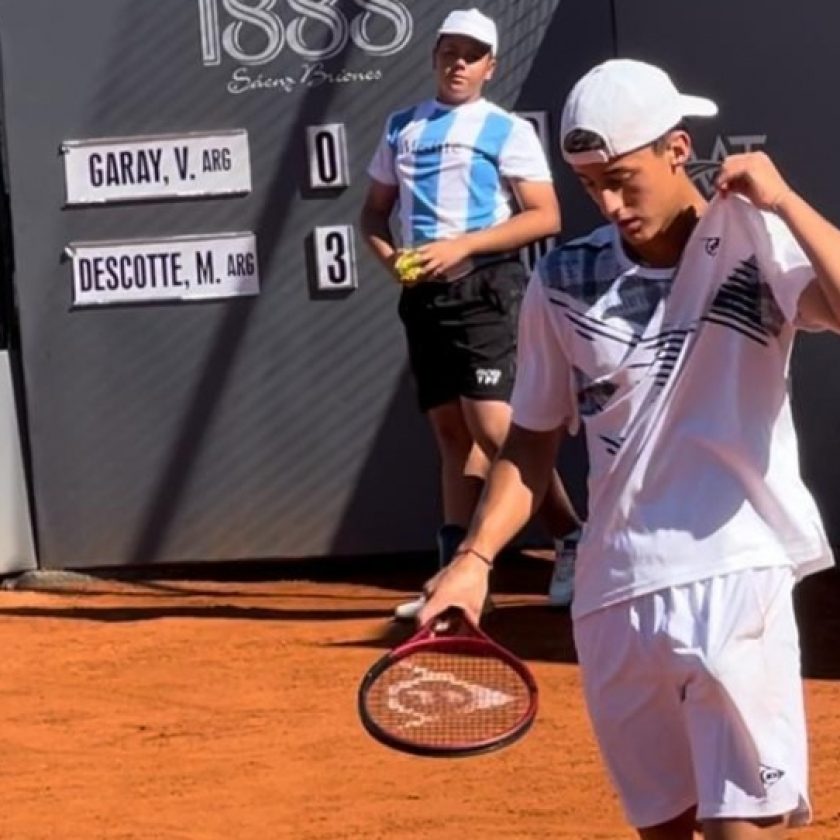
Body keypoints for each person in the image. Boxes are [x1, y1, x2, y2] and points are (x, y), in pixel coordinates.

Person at [419, 57, 839, 839]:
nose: (608, 204)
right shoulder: (563, 282)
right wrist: (475, 560)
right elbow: (533, 444)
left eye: (622, 179)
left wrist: (782, 198)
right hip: (613, 602)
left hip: (733, 577)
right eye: (588, 185)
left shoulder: (757, 239)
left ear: (677, 149)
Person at [360, 7, 581, 621]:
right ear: (435, 56)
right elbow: (373, 213)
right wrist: (393, 263)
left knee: (495, 428)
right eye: (449, 51)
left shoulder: (506, 129)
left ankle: (572, 539)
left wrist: (462, 246)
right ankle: (451, 575)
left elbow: (545, 215)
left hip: (487, 287)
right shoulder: (401, 126)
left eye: (471, 54)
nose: (458, 62)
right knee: (451, 435)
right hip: (423, 298)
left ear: (490, 67)